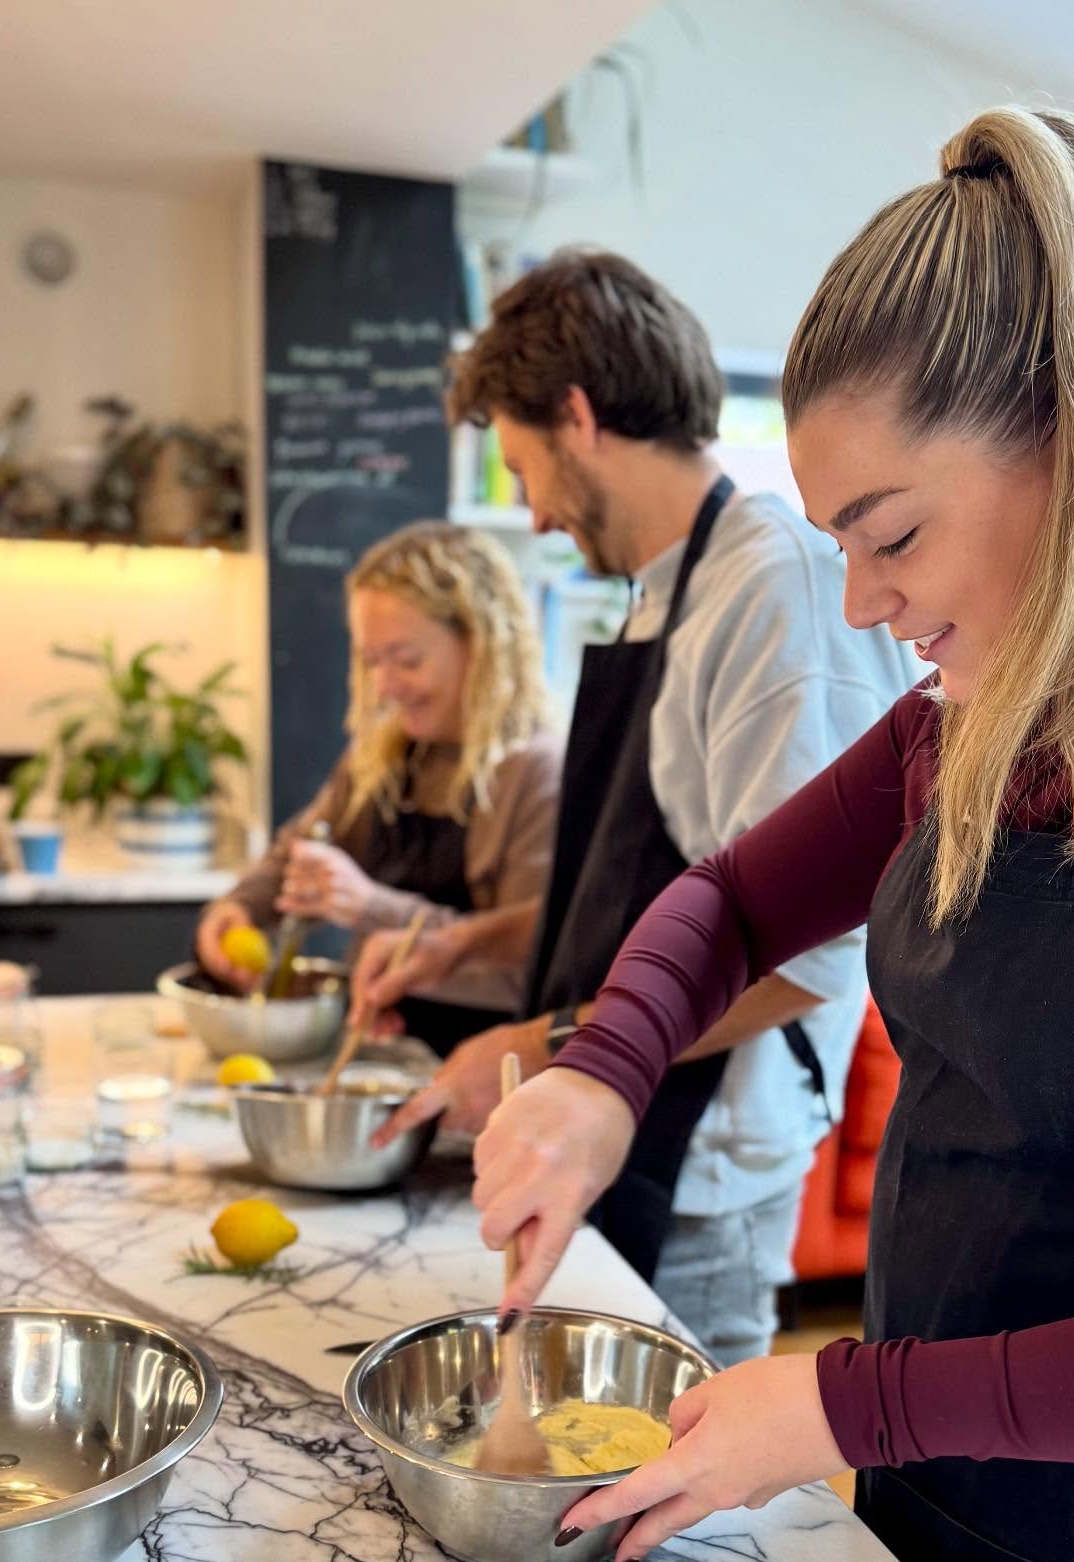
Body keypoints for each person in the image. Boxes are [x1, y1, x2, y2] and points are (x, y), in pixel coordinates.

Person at [467, 108, 1074, 1562]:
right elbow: (727, 894)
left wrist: (849, 1403)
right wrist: (601, 1071)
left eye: (890, 532)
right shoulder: (979, 710)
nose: (863, 597)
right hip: (931, 1514)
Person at [354, 251, 916, 1366]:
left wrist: (545, 1045)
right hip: (615, 1131)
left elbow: (806, 958)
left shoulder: (776, 587)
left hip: (698, 1170)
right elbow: (628, 904)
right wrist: (465, 943)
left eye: (524, 469)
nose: (537, 513)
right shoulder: (667, 595)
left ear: (577, 415)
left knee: (678, 1520)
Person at [197, 521, 561, 1056]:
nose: (385, 686)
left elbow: (529, 965)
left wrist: (371, 907)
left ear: (482, 644)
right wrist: (238, 909)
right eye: (371, 661)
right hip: (381, 1057)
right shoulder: (383, 756)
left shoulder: (538, 773)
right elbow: (296, 853)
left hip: (486, 1074)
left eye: (407, 660)